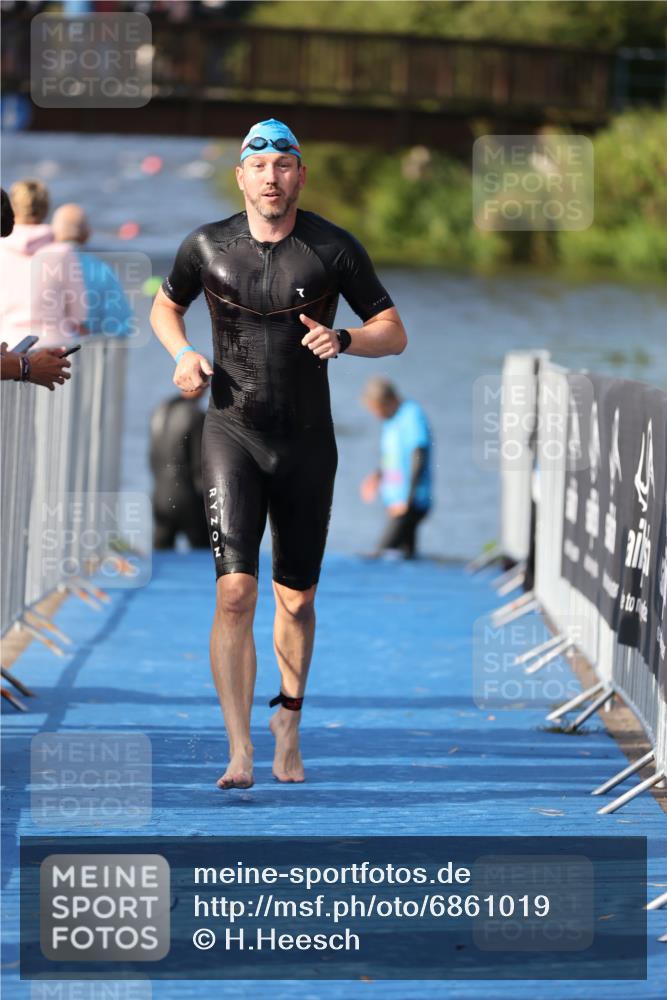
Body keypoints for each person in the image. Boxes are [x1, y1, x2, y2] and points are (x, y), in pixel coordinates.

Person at [150, 118, 406, 789]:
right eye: (259, 166)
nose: (272, 177)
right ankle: (238, 748)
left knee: (295, 599)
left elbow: (393, 331)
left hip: (306, 443)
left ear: (300, 175)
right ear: (240, 176)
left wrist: (345, 341)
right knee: (235, 593)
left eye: (284, 165)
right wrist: (181, 355)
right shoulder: (207, 245)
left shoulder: (332, 249)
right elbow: (163, 307)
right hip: (230, 433)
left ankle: (286, 721)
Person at [0, 180, 86, 348]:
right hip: (53, 345)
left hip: (6, 344)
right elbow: (79, 313)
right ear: (46, 208)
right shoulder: (63, 252)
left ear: (13, 207)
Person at [360, 377, 433, 559]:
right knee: (407, 557)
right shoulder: (391, 420)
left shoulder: (411, 415)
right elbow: (394, 458)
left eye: (377, 409)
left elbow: (419, 455)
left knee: (377, 556)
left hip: (410, 503)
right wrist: (377, 476)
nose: (377, 415)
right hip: (398, 503)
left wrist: (407, 501)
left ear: (388, 401)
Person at [52, 203, 133, 338]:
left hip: (37, 352)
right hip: (86, 353)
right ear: (87, 234)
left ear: (53, 232)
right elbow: (120, 326)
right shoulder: (102, 270)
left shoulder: (35, 266)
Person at [149, 385, 209, 550]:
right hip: (187, 494)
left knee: (161, 554)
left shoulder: (160, 410)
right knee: (203, 554)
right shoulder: (196, 415)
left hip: (160, 492)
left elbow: (153, 456)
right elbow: (200, 464)